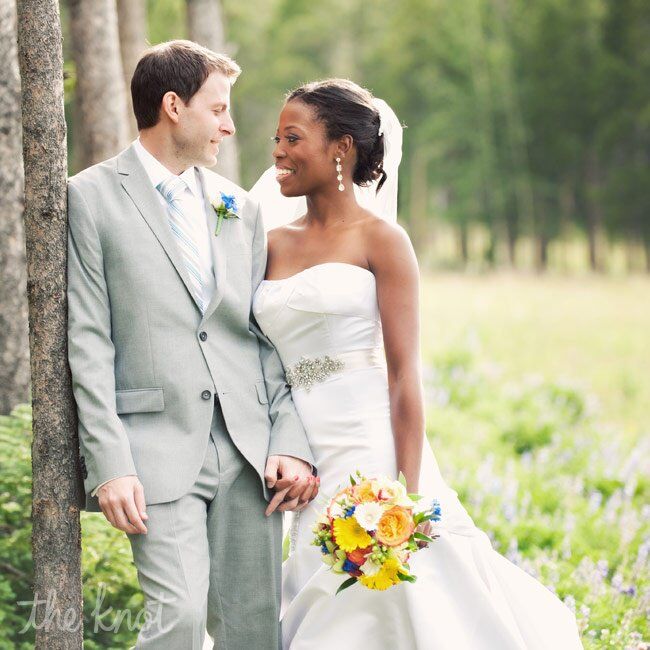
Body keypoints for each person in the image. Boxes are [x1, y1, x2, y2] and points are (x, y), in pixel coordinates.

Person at [250, 79, 583, 649]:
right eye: (276, 138)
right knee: (320, 588)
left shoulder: (383, 241)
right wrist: (278, 442)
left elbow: (404, 376)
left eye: (292, 137)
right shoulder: (268, 243)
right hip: (302, 450)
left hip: (369, 443)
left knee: (394, 595)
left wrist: (404, 490)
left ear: (341, 147)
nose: (277, 152)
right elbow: (252, 357)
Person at [67, 40, 318, 649]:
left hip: (248, 454)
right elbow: (89, 339)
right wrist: (111, 462)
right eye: (219, 109)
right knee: (177, 619)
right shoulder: (89, 197)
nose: (230, 127)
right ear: (173, 105)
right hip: (155, 450)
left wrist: (288, 439)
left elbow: (263, 335)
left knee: (251, 632)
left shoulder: (239, 206)